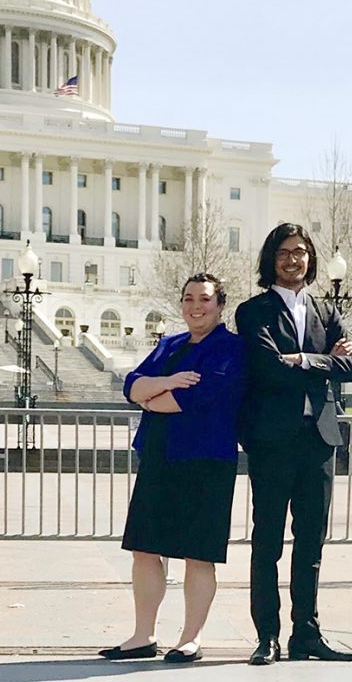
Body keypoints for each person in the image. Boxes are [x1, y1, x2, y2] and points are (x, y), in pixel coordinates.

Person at [99, 273, 245, 664]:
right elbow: (131, 386)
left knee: (198, 555)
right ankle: (142, 635)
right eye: (188, 298)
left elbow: (192, 399)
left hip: (205, 461)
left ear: (220, 305)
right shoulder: (170, 345)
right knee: (144, 549)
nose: (196, 306)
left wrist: (153, 396)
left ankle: (189, 638)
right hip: (159, 457)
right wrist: (165, 382)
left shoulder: (231, 348)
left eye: (204, 299)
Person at [235, 222, 352, 665]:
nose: (293, 260)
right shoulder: (253, 312)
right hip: (272, 442)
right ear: (271, 259)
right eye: (285, 252)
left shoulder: (326, 311)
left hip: (319, 441)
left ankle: (306, 633)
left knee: (311, 542)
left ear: (310, 258)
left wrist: (306, 359)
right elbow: (270, 368)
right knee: (267, 541)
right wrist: (328, 363)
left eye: (301, 252)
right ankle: (267, 636)